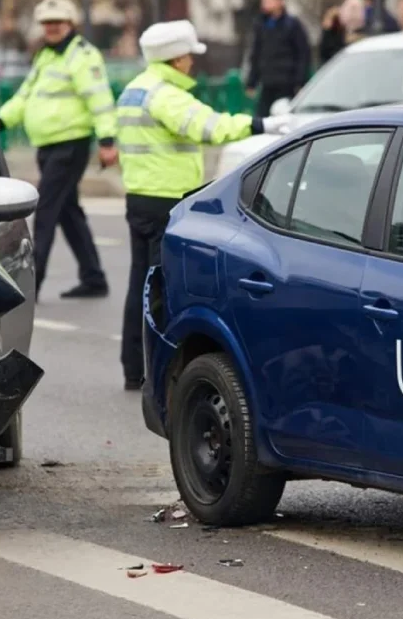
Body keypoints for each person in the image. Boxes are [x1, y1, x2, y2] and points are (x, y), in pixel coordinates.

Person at [116, 20, 286, 390]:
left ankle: (133, 367)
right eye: (189, 54)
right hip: (167, 199)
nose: (192, 61)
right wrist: (261, 125)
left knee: (139, 285)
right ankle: (157, 371)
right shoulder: (166, 95)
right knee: (163, 289)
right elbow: (209, 128)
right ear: (176, 58)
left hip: (139, 196)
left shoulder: (134, 89)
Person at [0, 0, 115, 300]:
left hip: (69, 145)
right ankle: (94, 277)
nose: (51, 28)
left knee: (45, 211)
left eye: (57, 22)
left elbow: (99, 98)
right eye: (47, 23)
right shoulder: (46, 56)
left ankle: (30, 287)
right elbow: (24, 96)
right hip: (48, 146)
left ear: (70, 23)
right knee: (68, 211)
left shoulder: (82, 55)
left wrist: (108, 141)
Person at [245, 0, 311, 119]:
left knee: (285, 117)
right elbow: (256, 54)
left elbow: (303, 54)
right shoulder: (260, 25)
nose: (265, 4)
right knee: (261, 119)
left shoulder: (292, 25)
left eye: (269, 0)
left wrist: (300, 82)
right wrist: (252, 82)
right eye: (264, 1)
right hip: (267, 83)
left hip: (287, 84)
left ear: (280, 1)